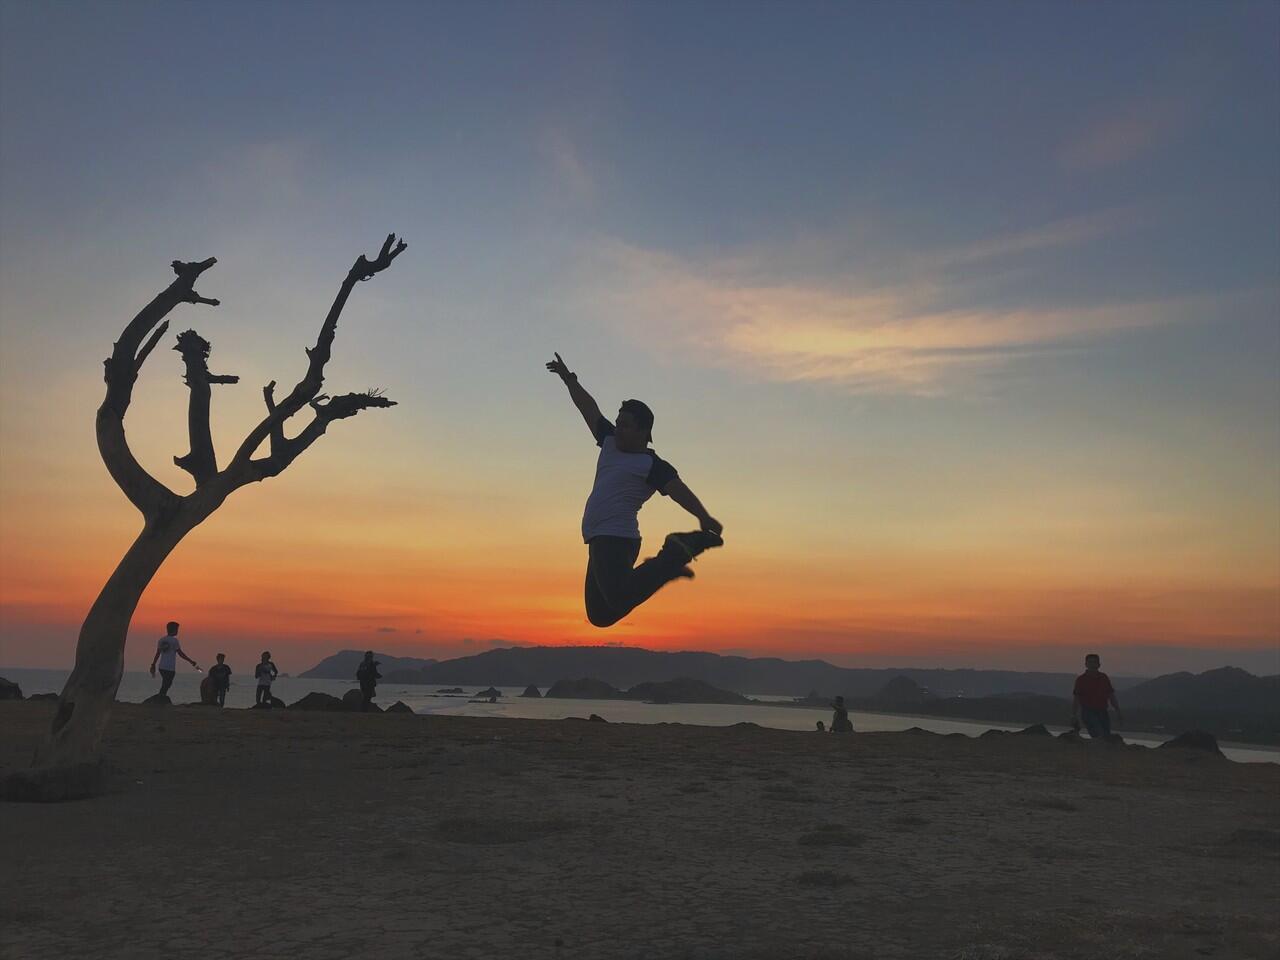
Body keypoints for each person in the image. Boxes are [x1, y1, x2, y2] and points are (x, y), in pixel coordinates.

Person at [546, 352, 724, 627]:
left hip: (616, 538)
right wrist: (569, 379)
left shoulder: (650, 464)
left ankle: (675, 553)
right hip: (597, 538)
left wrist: (703, 517)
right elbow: (588, 408)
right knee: (600, 615)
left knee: (617, 599)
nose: (618, 429)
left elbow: (678, 490)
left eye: (625, 426)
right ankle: (666, 567)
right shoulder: (608, 441)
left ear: (643, 432)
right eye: (618, 424)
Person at [1072, 653, 1121, 738]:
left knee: (1106, 736)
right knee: (1098, 735)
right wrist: (1073, 715)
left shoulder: (1104, 677)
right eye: (1090, 662)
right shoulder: (1081, 680)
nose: (1092, 664)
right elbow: (1076, 699)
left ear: (1099, 665)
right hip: (1088, 712)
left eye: (1094, 662)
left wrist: (1118, 710)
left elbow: (1111, 696)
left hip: (1103, 712)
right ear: (1086, 664)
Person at [149, 621, 199, 698]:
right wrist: (190, 661)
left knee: (166, 683)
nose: (177, 631)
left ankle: (161, 696)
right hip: (170, 667)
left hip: (161, 667)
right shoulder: (174, 641)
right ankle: (161, 697)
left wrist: (154, 664)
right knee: (167, 683)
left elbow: (157, 653)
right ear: (173, 630)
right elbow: (180, 653)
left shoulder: (161, 640)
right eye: (177, 629)